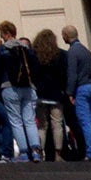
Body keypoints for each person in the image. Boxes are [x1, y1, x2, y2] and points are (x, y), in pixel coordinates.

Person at [62, 24, 91, 161]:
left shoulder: (72, 52)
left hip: (81, 89)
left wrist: (69, 92)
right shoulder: (85, 50)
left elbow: (72, 74)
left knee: (85, 122)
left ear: (66, 36)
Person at [0, 21, 41, 161]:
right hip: (28, 87)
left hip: (10, 87)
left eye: (2, 34)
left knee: (16, 121)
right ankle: (35, 150)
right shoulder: (26, 49)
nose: (2, 37)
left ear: (7, 34)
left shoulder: (3, 49)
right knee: (29, 120)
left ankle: (23, 152)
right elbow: (35, 68)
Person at [32, 27, 69, 161]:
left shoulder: (35, 55)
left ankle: (40, 152)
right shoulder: (61, 55)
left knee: (42, 125)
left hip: (40, 94)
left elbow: (33, 74)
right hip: (56, 93)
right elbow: (65, 75)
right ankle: (58, 154)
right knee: (57, 124)